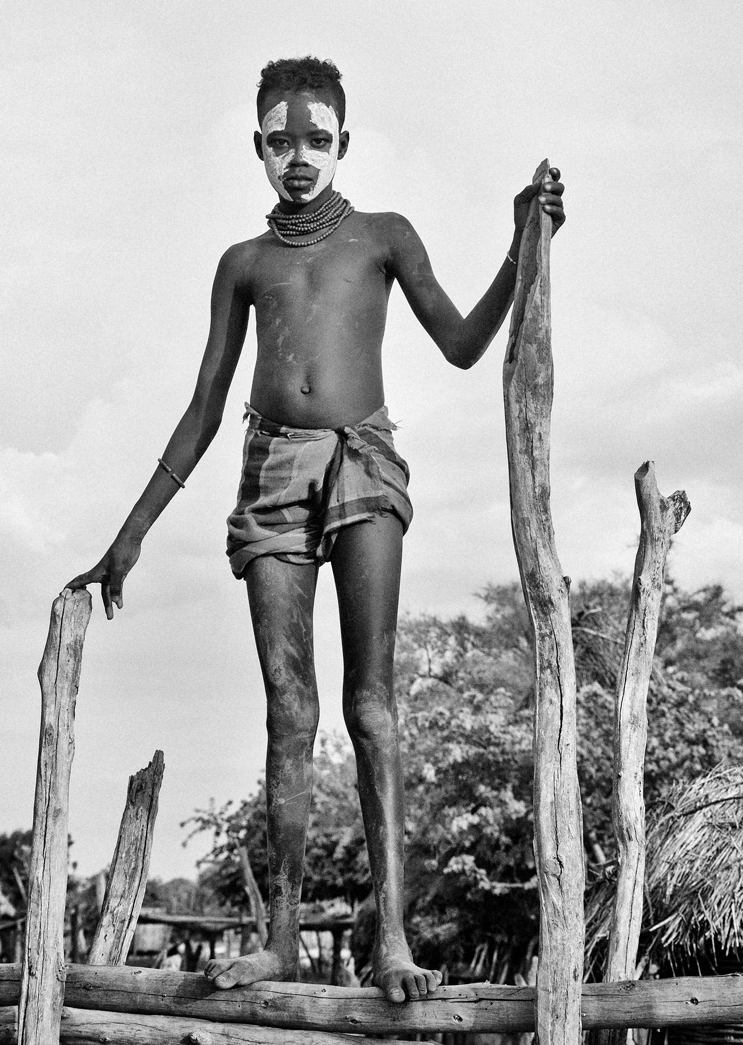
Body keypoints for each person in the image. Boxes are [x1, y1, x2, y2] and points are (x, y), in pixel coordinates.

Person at [66, 56, 565, 1002]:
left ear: (345, 143)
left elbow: (462, 345)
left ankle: (393, 943)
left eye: (318, 140)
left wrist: (522, 243)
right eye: (281, 140)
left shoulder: (384, 238)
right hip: (270, 475)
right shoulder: (244, 265)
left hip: (364, 466)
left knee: (370, 707)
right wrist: (128, 536)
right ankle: (283, 936)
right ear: (258, 146)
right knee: (287, 709)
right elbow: (205, 406)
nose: (300, 157)